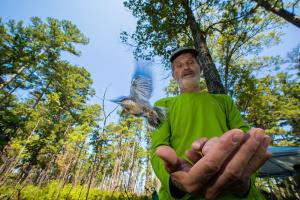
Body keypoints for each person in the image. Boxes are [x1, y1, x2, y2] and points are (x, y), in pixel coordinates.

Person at [150, 47, 272, 200]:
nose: (186, 67)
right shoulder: (161, 105)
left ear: (200, 69)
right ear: (174, 75)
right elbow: (157, 148)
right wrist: (175, 183)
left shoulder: (224, 101)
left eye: (191, 62)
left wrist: (245, 180)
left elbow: (247, 140)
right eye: (179, 65)